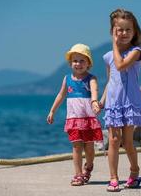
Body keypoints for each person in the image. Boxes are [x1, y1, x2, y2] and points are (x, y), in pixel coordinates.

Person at [100, 9, 141, 192]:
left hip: (129, 103)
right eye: (119, 30)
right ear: (113, 31)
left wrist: (114, 45)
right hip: (114, 104)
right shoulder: (108, 57)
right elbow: (110, 81)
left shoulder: (136, 52)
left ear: (134, 31)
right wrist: (101, 101)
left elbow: (121, 66)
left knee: (127, 142)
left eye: (127, 30)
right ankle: (113, 178)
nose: (123, 34)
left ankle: (134, 171)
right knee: (114, 140)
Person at [47, 43, 103, 186]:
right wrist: (52, 110)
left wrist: (95, 102)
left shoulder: (91, 78)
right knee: (76, 146)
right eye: (75, 61)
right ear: (70, 63)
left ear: (88, 63)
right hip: (73, 118)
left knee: (89, 147)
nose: (78, 64)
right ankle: (78, 174)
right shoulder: (67, 79)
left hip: (88, 117)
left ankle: (89, 166)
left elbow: (94, 91)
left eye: (82, 60)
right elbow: (61, 95)